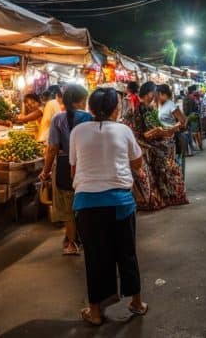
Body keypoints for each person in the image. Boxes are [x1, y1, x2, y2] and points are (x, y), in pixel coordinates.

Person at [69, 87, 147, 326]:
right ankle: (136, 302)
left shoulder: (78, 131)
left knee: (94, 258)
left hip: (87, 204)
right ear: (117, 108)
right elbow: (137, 162)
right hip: (119, 203)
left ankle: (94, 311)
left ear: (90, 108)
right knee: (126, 253)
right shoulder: (123, 130)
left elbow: (74, 168)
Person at [39, 85, 91, 256]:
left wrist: (45, 171)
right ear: (82, 100)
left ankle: (71, 243)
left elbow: (52, 148)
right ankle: (85, 239)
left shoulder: (57, 119)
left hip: (63, 165)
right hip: (85, 165)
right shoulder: (89, 118)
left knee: (68, 207)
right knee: (83, 203)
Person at [124, 82, 188, 210]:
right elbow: (146, 133)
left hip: (143, 145)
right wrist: (161, 131)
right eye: (154, 93)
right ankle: (166, 196)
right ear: (149, 94)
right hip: (146, 146)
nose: (155, 96)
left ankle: (161, 196)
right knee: (167, 166)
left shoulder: (141, 107)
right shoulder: (143, 108)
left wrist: (162, 131)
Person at [156, 84, 188, 174]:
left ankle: (179, 184)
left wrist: (172, 128)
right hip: (164, 139)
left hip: (174, 138)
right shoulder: (159, 105)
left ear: (163, 94)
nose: (156, 97)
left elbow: (182, 121)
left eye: (158, 95)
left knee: (176, 163)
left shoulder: (171, 105)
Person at [183, 85, 201, 153]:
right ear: (193, 91)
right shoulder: (194, 98)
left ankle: (194, 146)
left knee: (191, 132)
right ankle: (198, 146)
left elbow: (185, 110)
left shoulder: (186, 98)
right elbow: (197, 107)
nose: (196, 91)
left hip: (188, 116)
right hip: (194, 116)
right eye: (195, 90)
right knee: (195, 132)